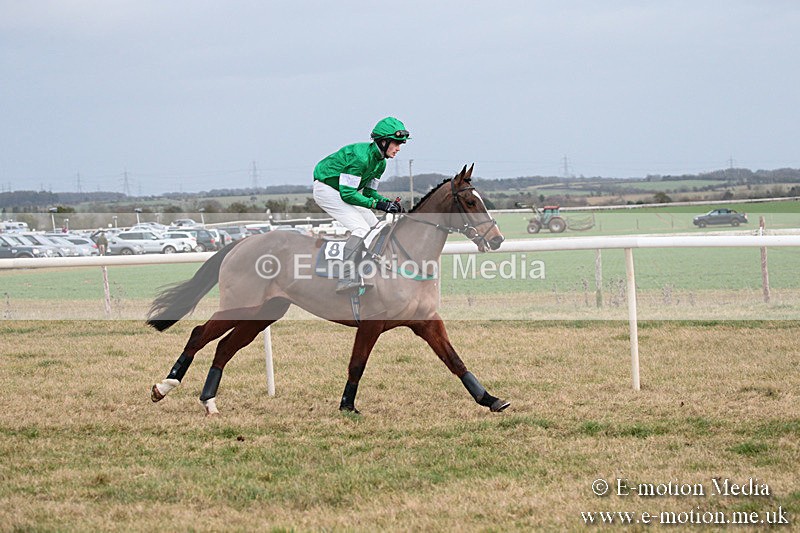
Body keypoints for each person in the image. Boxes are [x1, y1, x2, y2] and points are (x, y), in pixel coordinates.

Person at [313, 117, 409, 293]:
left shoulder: (381, 163)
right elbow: (348, 194)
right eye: (396, 144)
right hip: (326, 189)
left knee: (375, 227)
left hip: (342, 190)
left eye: (400, 144)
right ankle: (346, 277)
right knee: (361, 230)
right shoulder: (361, 158)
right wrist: (378, 205)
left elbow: (369, 193)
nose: (398, 149)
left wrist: (387, 203)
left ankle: (369, 271)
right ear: (383, 141)